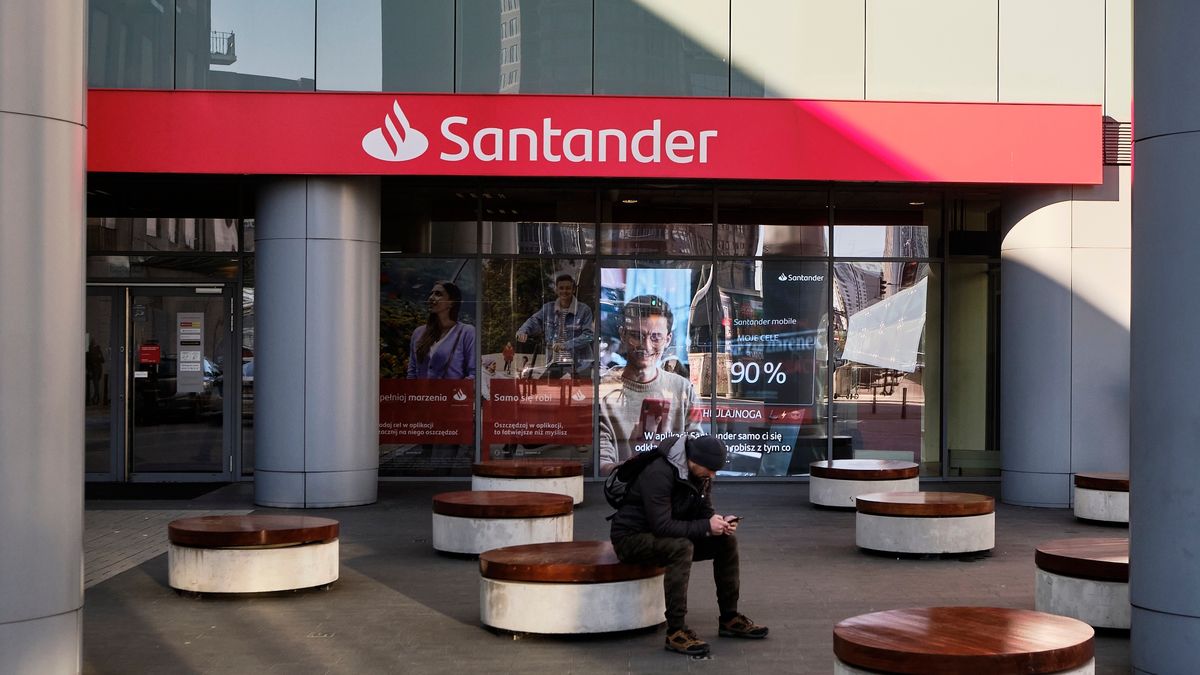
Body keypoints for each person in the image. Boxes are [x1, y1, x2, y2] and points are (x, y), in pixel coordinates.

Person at [610, 435, 768, 656]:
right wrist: (706, 526)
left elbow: (704, 512)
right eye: (710, 469)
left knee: (726, 541)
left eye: (715, 471)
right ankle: (676, 631)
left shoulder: (700, 474)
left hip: (666, 534)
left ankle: (730, 618)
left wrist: (720, 522)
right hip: (631, 539)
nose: (712, 475)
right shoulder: (659, 473)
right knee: (681, 547)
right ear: (693, 459)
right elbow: (662, 526)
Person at [598, 294, 702, 476]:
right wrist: (639, 465)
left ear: (668, 339)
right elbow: (601, 466)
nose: (645, 346)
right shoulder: (602, 391)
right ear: (622, 334)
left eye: (656, 337)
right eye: (636, 336)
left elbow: (697, 454)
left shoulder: (684, 390)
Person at [516, 274, 594, 378]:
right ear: (556, 290)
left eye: (568, 288)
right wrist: (522, 331)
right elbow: (534, 321)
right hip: (555, 362)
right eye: (561, 288)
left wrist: (566, 345)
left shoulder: (584, 310)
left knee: (580, 394)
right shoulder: (548, 308)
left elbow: (588, 336)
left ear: (573, 290)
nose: (564, 291)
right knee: (545, 390)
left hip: (580, 364)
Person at [407, 280, 476, 380]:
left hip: (451, 394)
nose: (431, 298)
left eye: (438, 294)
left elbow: (474, 374)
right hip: (422, 395)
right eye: (431, 294)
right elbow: (412, 373)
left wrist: (456, 393)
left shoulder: (467, 333)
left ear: (451, 302)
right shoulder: (418, 333)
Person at [86, 338, 105, 405]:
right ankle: (95, 398)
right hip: (94, 370)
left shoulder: (97, 350)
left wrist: (99, 357)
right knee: (96, 385)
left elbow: (103, 360)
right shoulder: (89, 351)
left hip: (97, 370)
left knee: (96, 385)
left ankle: (95, 398)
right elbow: (88, 362)